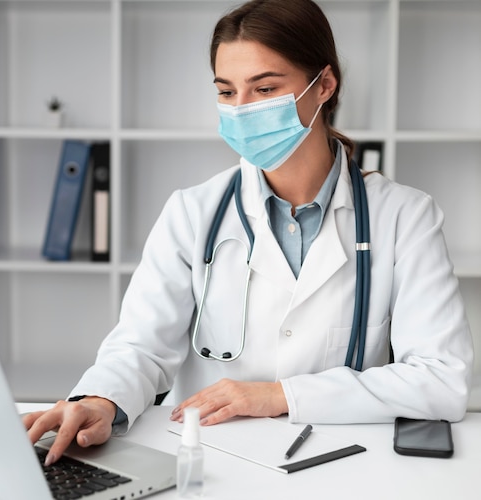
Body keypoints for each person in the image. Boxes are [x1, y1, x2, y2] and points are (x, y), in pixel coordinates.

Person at [24, 0, 473, 467]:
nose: (241, 110)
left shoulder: (405, 217)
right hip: (208, 460)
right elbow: (140, 347)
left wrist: (278, 395)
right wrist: (101, 400)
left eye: (264, 88)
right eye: (226, 91)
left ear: (324, 85)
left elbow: (441, 380)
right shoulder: (193, 212)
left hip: (341, 465)